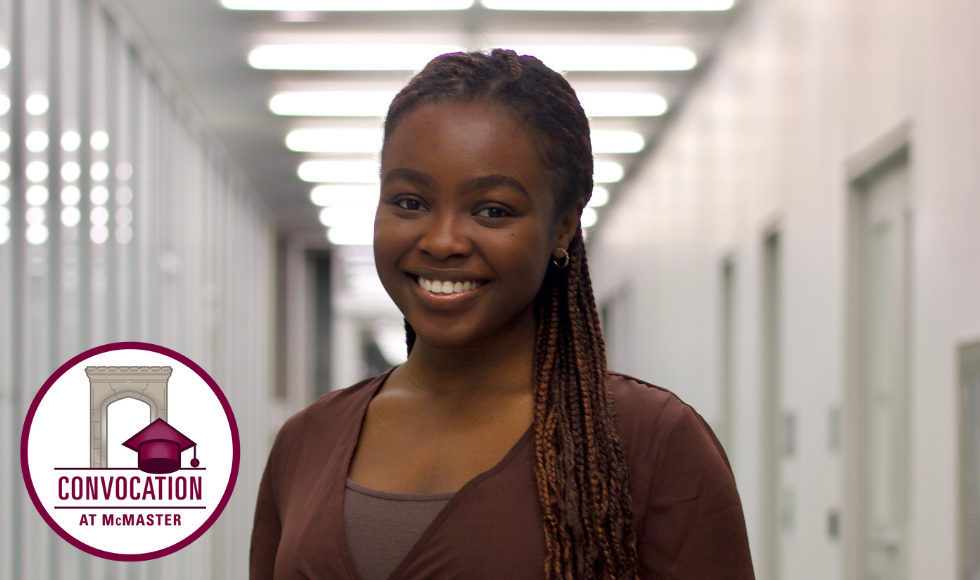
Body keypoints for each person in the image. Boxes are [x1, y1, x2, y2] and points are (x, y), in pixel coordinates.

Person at [250, 49, 755, 580]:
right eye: (410, 202)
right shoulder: (307, 441)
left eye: (492, 210)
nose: (442, 241)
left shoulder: (650, 441)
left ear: (563, 227)